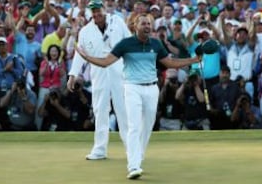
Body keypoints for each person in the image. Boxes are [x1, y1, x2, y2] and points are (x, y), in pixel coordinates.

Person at [75, 13, 201, 179]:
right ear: (135, 26)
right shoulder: (125, 44)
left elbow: (170, 63)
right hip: (132, 88)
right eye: (144, 24)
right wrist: (86, 57)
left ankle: (138, 155)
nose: (147, 27)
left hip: (151, 88)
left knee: (147, 125)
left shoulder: (156, 44)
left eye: (149, 24)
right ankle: (133, 165)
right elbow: (106, 62)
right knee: (134, 126)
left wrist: (194, 60)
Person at [67, 0, 131, 161]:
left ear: (104, 9)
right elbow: (79, 55)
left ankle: (132, 148)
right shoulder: (85, 31)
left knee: (123, 110)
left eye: (98, 10)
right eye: (93, 11)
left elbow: (129, 43)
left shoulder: (117, 21)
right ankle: (100, 149)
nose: (96, 13)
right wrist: (72, 75)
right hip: (98, 74)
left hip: (119, 72)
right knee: (100, 110)